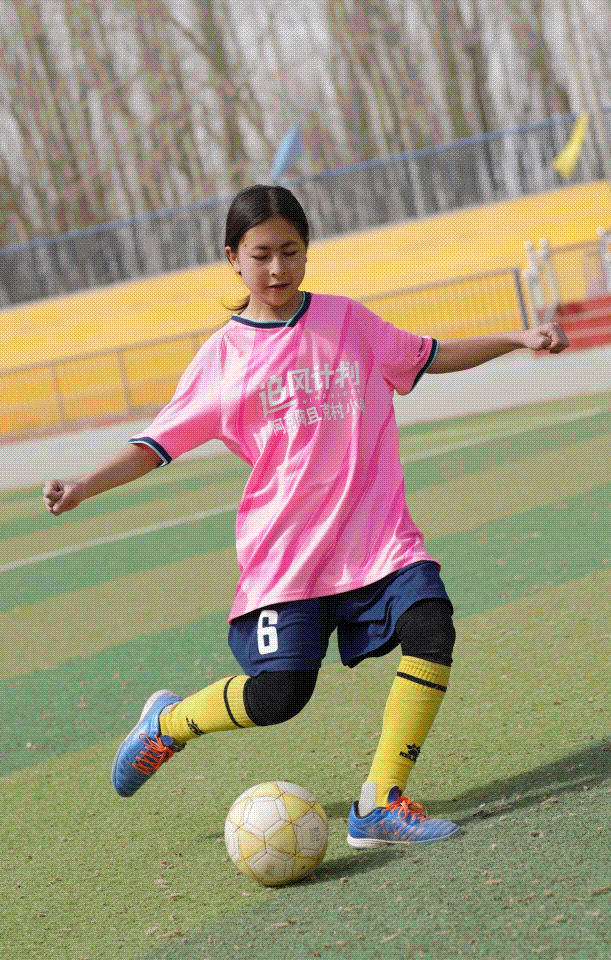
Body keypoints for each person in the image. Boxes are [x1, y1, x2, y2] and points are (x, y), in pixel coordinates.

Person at [43, 185, 569, 848]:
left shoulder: (348, 321)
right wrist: (84, 486)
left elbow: (428, 355)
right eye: (260, 254)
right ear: (232, 258)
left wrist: (518, 338)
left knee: (431, 625)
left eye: (290, 251)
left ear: (307, 249)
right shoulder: (222, 359)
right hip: (287, 557)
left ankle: (379, 802)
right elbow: (155, 444)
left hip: (378, 540)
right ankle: (167, 725)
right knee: (281, 695)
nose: (277, 268)